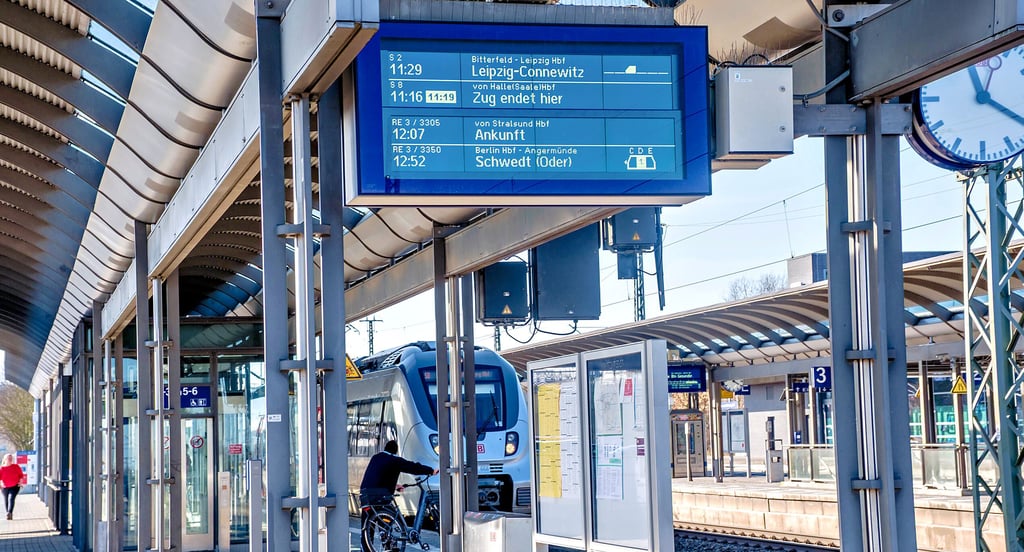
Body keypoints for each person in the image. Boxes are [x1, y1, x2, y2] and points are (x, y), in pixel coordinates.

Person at [359, 440, 437, 552]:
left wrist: (395, 485)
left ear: (385, 448)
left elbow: (377, 477)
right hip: (381, 497)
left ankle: (365, 549)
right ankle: (389, 547)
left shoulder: (376, 458)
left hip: (366, 496)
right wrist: (430, 471)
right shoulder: (394, 460)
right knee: (386, 522)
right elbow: (412, 467)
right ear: (395, 451)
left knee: (367, 528)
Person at [0, 454, 23, 520]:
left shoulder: (16, 466)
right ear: (5, 459)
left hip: (15, 486)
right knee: (6, 500)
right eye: (8, 458)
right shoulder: (2, 468)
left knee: (11, 498)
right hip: (5, 487)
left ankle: (10, 512)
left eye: (11, 458)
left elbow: (21, 475)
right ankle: (8, 514)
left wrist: (20, 482)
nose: (10, 459)